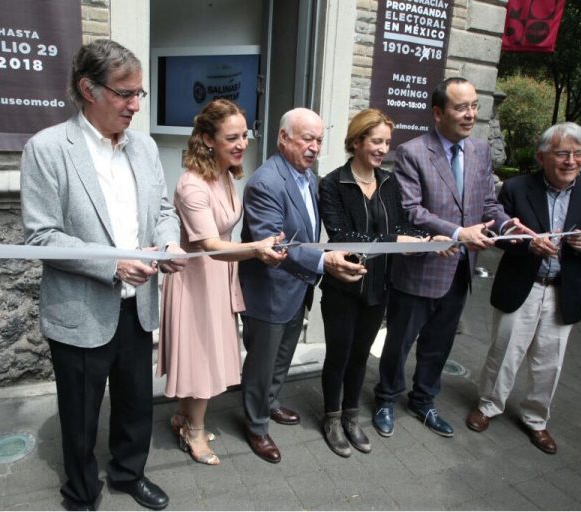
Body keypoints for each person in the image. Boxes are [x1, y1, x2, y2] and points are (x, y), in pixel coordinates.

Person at [21, 40, 185, 511]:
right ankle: (80, 489)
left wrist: (169, 241)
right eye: (124, 93)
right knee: (79, 415)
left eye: (141, 94)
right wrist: (112, 263)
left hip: (139, 303)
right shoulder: (48, 149)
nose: (136, 105)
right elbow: (42, 236)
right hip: (81, 308)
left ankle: (129, 474)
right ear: (87, 89)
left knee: (136, 404)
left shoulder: (146, 146)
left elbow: (161, 210)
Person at [372, 77, 531, 439]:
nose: (471, 114)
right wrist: (460, 233)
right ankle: (385, 398)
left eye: (474, 105)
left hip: (459, 271)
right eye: (461, 107)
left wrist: (508, 225)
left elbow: (487, 203)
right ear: (438, 113)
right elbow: (410, 210)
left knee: (440, 344)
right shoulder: (413, 152)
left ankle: (424, 400)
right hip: (418, 270)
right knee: (399, 342)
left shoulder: (479, 152)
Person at [466, 122, 581, 454]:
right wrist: (527, 246)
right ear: (541, 156)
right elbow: (497, 238)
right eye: (562, 153)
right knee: (504, 352)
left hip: (564, 289)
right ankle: (488, 405)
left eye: (578, 154)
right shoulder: (516, 188)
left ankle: (536, 419)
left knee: (550, 361)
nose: (571, 161)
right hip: (523, 284)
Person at [157, 99, 286, 466]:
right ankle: (194, 432)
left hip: (220, 277)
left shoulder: (227, 174)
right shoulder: (191, 186)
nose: (241, 143)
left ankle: (184, 417)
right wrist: (256, 249)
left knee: (207, 355)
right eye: (231, 137)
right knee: (202, 359)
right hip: (196, 283)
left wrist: (262, 243)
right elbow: (211, 246)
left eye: (244, 135)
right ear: (207, 139)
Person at [238, 107, 366, 463]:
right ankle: (256, 425)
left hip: (298, 287)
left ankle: (271, 402)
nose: (314, 147)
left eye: (319, 140)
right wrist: (323, 261)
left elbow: (307, 232)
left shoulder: (309, 177)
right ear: (283, 138)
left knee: (282, 357)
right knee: (262, 364)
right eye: (306, 138)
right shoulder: (265, 183)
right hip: (269, 290)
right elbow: (274, 244)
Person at [317, 108, 433, 457]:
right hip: (342, 286)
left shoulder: (389, 182)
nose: (384, 149)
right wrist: (397, 242)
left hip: (378, 286)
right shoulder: (333, 183)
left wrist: (428, 241)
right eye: (376, 141)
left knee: (359, 357)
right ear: (357, 141)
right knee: (338, 356)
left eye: (387, 142)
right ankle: (332, 418)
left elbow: (397, 229)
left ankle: (352, 416)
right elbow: (343, 235)